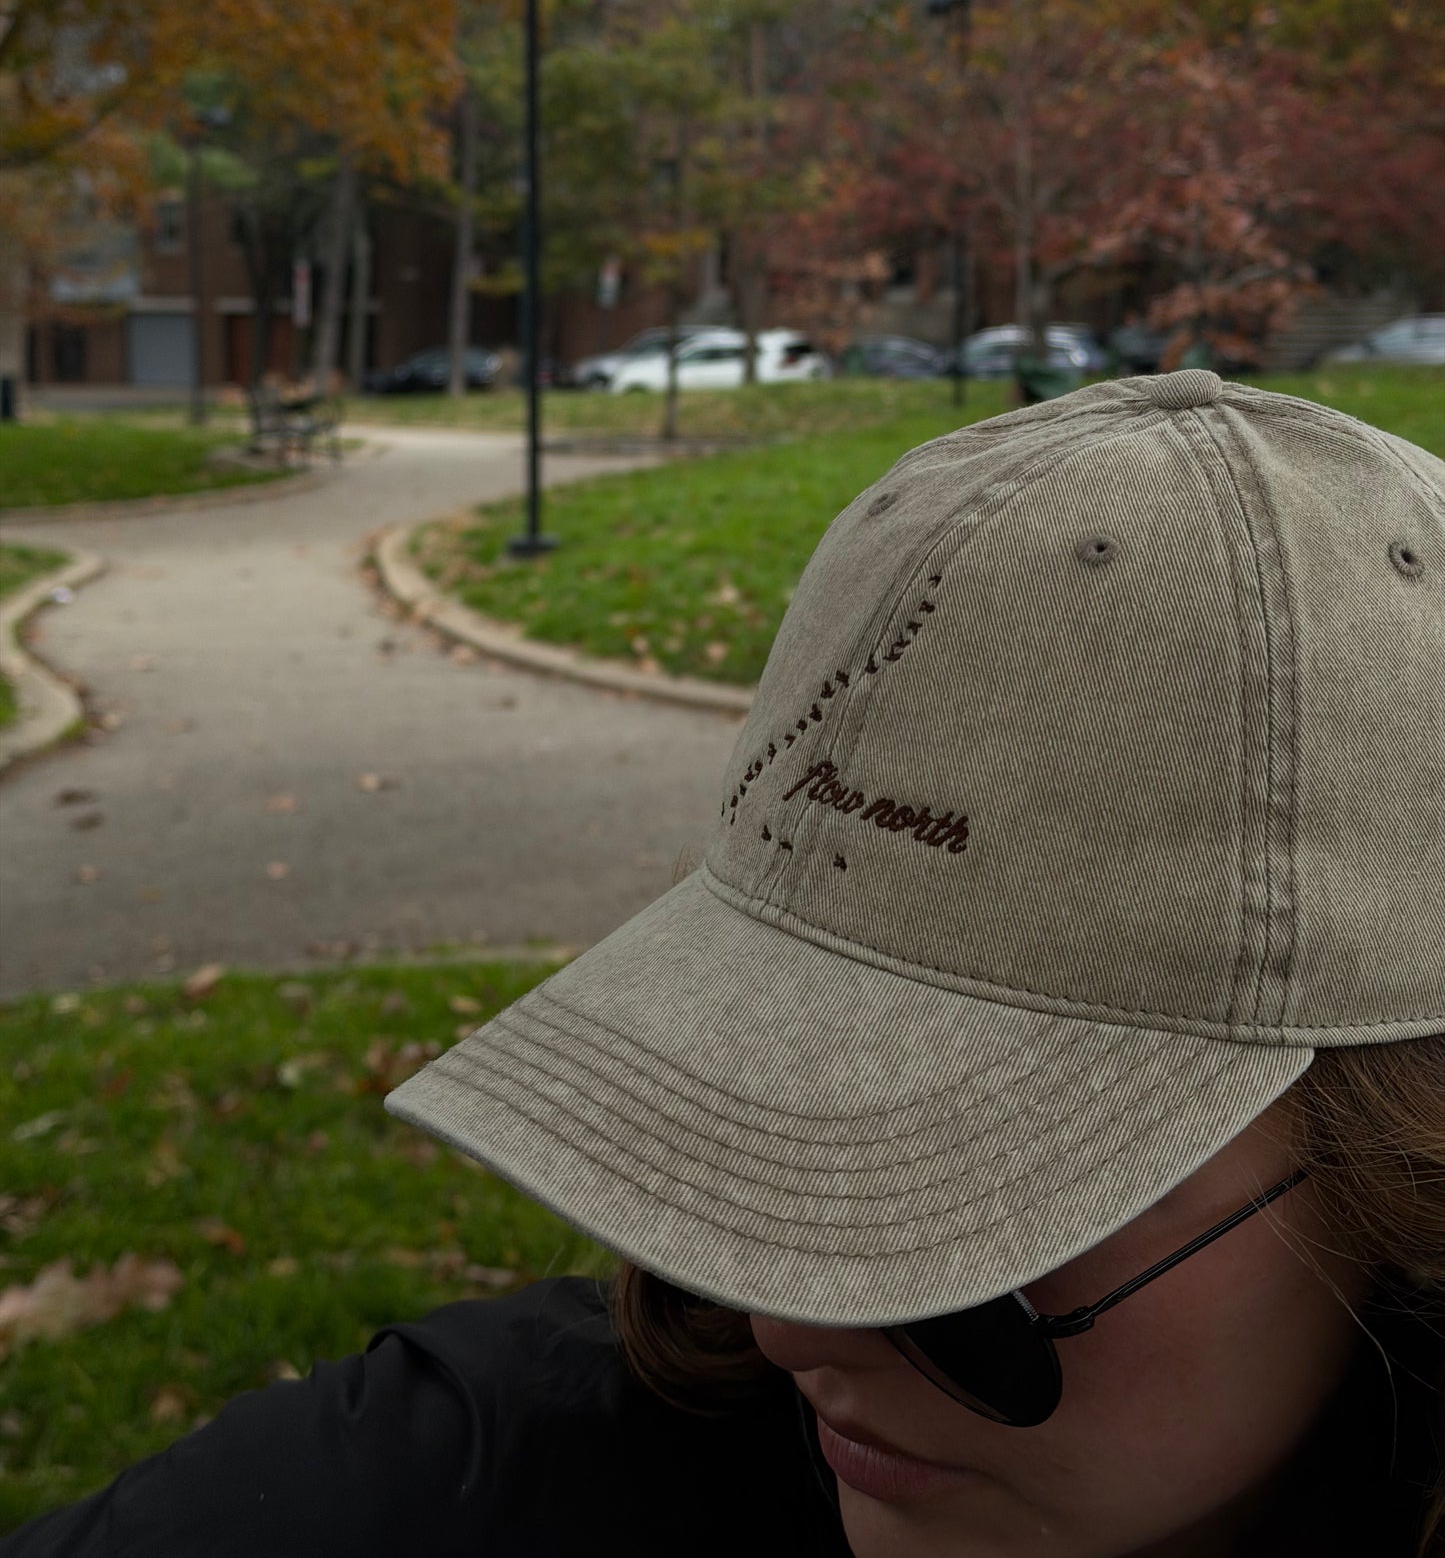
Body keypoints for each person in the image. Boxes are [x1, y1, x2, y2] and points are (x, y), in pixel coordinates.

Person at [4, 369, 1441, 1557]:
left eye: (986, 1209)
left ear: (1402, 1163)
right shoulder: (484, 1485)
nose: (781, 1318)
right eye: (758, 1104)